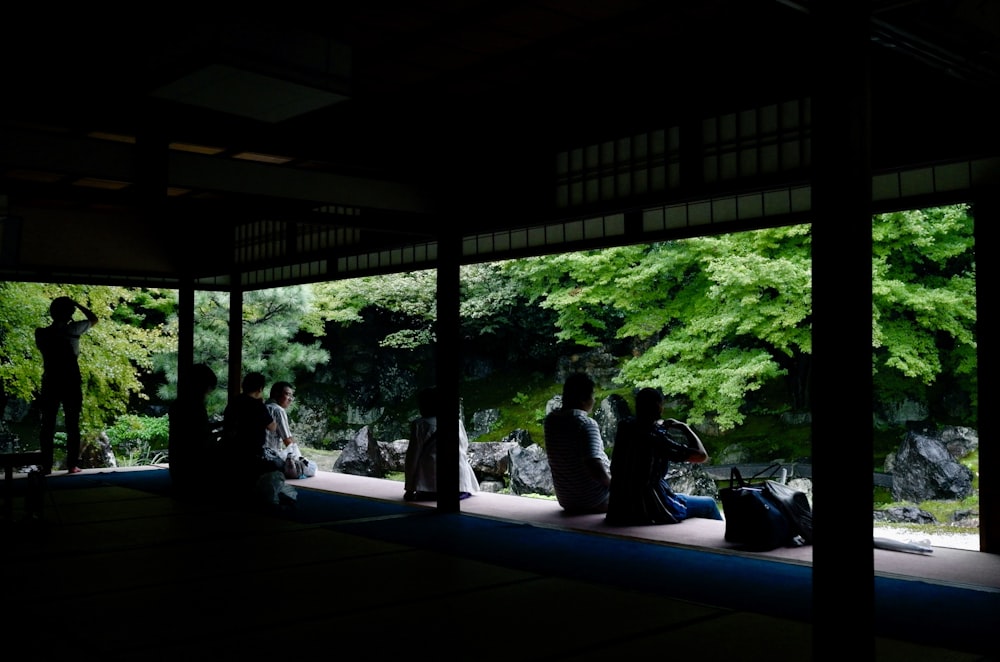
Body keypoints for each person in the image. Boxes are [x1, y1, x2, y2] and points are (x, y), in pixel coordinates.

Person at [606, 387, 723, 525]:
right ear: (657, 406)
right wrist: (685, 428)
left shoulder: (625, 427)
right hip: (648, 504)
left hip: (619, 505)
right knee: (708, 503)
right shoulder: (654, 437)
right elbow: (701, 456)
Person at [35, 296, 99, 475]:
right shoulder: (74, 329)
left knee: (47, 425)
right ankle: (72, 465)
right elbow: (94, 319)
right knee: (72, 424)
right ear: (70, 313)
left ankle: (46, 465)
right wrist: (78, 304)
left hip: (50, 381)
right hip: (71, 381)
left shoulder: (41, 333)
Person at [543, 372, 612, 514]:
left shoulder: (551, 421)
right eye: (592, 395)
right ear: (583, 399)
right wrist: (614, 486)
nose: (594, 400)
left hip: (566, 499)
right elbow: (594, 465)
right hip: (595, 499)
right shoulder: (585, 424)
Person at [404, 387, 479, 501]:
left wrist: (409, 488)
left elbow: (413, 455)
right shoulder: (456, 421)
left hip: (430, 486)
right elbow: (464, 445)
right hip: (459, 484)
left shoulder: (420, 425)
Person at [222, 372, 283, 504]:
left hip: (231, 446)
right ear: (260, 388)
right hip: (251, 449)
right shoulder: (257, 405)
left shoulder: (234, 401)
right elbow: (271, 427)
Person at [168, 363, 220, 497]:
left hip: (178, 460)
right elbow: (200, 436)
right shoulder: (196, 407)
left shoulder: (178, 404)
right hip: (194, 463)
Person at [264, 381, 296, 455]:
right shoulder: (278, 410)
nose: (290, 399)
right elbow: (287, 440)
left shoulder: (262, 407)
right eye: (288, 394)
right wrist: (298, 457)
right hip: (270, 457)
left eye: (291, 396)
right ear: (276, 394)